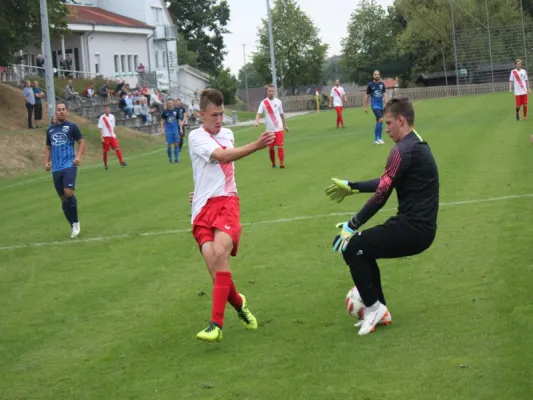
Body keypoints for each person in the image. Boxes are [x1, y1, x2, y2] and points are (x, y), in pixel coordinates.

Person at [325, 97, 439, 336]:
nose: (385, 129)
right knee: (364, 248)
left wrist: (351, 225)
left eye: (388, 123)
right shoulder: (416, 144)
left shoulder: (401, 150)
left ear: (401, 120)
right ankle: (378, 309)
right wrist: (352, 186)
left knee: (352, 247)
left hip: (413, 229)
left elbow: (382, 195)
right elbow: (388, 181)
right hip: (419, 228)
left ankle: (375, 307)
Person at [188, 88, 275, 342]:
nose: (219, 120)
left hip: (227, 201)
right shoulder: (195, 137)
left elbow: (225, 165)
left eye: (222, 114)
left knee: (220, 253)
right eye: (214, 115)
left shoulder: (227, 133)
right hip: (202, 209)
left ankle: (215, 324)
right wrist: (258, 145)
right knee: (217, 274)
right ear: (201, 114)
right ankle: (239, 305)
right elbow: (222, 156)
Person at [45, 103, 86, 238]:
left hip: (69, 165)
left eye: (63, 110)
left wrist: (78, 157)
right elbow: (48, 147)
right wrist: (47, 162)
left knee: (68, 192)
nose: (61, 112)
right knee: (63, 199)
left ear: (66, 112)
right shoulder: (50, 130)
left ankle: (76, 223)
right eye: (59, 110)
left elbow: (81, 142)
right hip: (56, 169)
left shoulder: (72, 127)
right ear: (55, 112)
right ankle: (72, 224)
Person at [255, 84, 289, 168]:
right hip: (269, 130)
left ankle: (281, 163)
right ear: (267, 92)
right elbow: (258, 113)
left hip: (279, 127)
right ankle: (273, 163)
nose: (271, 92)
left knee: (280, 145)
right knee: (271, 148)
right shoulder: (263, 102)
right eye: (269, 91)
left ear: (274, 92)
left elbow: (282, 114)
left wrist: (285, 125)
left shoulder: (278, 102)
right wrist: (256, 122)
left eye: (272, 91)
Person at [98, 105, 127, 170]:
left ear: (109, 110)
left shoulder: (112, 117)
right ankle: (105, 165)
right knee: (105, 151)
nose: (107, 110)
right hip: (105, 137)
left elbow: (113, 126)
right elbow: (100, 128)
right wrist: (101, 137)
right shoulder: (102, 118)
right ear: (104, 110)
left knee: (117, 148)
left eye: (108, 109)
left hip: (112, 136)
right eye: (106, 109)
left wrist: (113, 134)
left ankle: (121, 162)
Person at [364, 70, 387, 144]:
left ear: (379, 75)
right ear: (373, 76)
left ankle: (376, 139)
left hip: (381, 105)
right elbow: (367, 96)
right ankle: (379, 138)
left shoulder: (382, 84)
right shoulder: (370, 85)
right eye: (375, 74)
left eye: (378, 74)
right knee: (381, 119)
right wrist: (365, 106)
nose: (377, 76)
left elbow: (384, 94)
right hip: (374, 105)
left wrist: (386, 104)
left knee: (378, 121)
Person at [161, 99, 181, 163]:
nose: (170, 104)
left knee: (176, 144)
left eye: (171, 103)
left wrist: (180, 129)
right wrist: (162, 129)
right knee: (169, 145)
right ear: (167, 104)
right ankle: (170, 159)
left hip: (175, 129)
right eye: (169, 103)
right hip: (168, 130)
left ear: (173, 103)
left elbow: (179, 120)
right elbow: (162, 121)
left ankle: (176, 158)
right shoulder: (165, 112)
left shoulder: (176, 111)